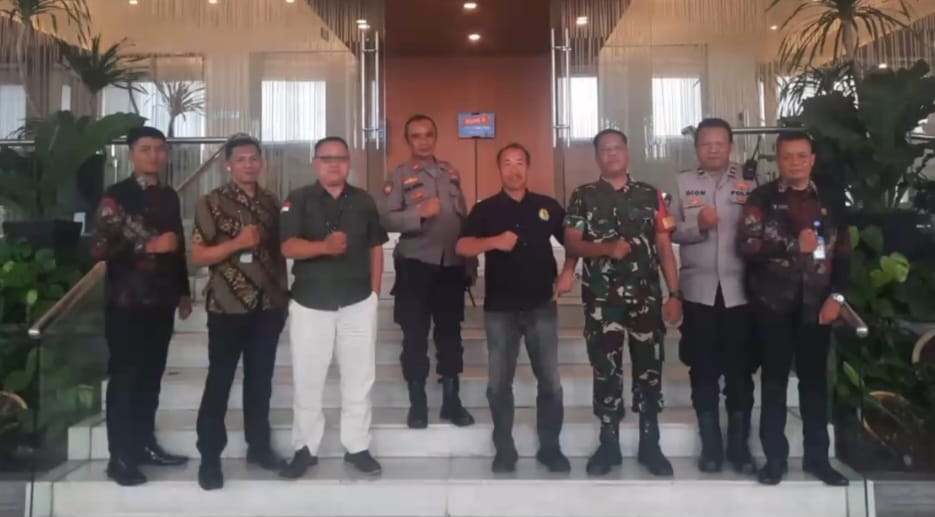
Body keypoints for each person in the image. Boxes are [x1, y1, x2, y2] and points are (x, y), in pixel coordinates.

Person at [563, 129, 682, 477]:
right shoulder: (583, 195)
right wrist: (604, 249)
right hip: (603, 301)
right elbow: (572, 242)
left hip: (646, 298)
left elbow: (664, 247)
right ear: (597, 156)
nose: (612, 154)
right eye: (605, 149)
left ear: (627, 152)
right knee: (606, 369)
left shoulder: (651, 195)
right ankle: (609, 442)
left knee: (649, 368)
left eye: (617, 148)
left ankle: (650, 442)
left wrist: (674, 294)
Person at [455, 143, 577, 473]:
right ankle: (504, 448)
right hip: (500, 308)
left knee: (550, 381)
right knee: (499, 384)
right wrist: (493, 242)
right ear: (499, 169)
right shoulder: (486, 209)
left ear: (528, 167)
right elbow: (462, 245)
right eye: (507, 163)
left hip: (542, 304)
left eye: (519, 162)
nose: (514, 169)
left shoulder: (547, 206)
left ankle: (550, 448)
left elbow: (573, 241)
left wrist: (568, 271)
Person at [738, 131, 850, 487]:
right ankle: (775, 460)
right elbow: (746, 245)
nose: (796, 163)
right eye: (788, 156)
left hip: (817, 307)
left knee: (815, 385)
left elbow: (844, 254)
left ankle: (818, 460)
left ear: (812, 159)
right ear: (779, 160)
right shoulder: (762, 198)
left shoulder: (831, 200)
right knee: (773, 384)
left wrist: (837, 298)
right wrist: (792, 245)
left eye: (802, 156)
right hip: (773, 305)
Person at [278, 136, 387, 478]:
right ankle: (305, 448)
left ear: (349, 163)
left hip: (357, 302)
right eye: (326, 158)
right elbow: (288, 247)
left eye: (340, 158)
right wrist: (324, 247)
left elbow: (376, 247)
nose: (334, 164)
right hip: (311, 303)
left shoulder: (364, 200)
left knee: (359, 378)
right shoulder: (298, 199)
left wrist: (374, 292)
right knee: (308, 379)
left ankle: (357, 446)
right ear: (315, 163)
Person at [91, 126, 191, 486]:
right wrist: (147, 246)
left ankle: (145, 445)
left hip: (161, 300)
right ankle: (119, 458)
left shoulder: (169, 195)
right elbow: (99, 248)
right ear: (132, 153)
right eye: (145, 149)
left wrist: (183, 291)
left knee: (151, 377)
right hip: (127, 301)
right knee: (126, 378)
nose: (154, 155)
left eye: (159, 149)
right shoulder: (117, 195)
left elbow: (176, 245)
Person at [189, 134, 289, 490]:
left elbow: (280, 250)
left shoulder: (271, 201)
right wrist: (237, 243)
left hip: (268, 305)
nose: (249, 164)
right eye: (241, 159)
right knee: (219, 380)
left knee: (260, 380)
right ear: (228, 164)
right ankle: (209, 457)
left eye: (254, 158)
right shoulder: (211, 202)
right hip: (227, 305)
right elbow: (198, 256)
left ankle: (258, 448)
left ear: (262, 162)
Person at [670, 118, 757, 474]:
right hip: (699, 292)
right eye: (706, 144)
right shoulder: (682, 183)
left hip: (741, 293)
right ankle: (711, 445)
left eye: (720, 143)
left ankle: (739, 446)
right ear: (697, 149)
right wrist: (698, 226)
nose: (713, 149)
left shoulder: (751, 183)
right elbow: (670, 231)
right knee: (702, 369)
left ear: (730, 146)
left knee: (740, 371)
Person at [380, 114, 474, 429]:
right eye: (416, 136)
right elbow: (386, 219)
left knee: (450, 334)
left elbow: (463, 218)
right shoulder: (399, 175)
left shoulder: (451, 173)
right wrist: (418, 212)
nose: (423, 141)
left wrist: (470, 262)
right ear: (408, 141)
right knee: (415, 335)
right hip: (415, 266)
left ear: (435, 137)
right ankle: (417, 403)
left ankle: (451, 401)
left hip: (451, 266)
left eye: (428, 134)